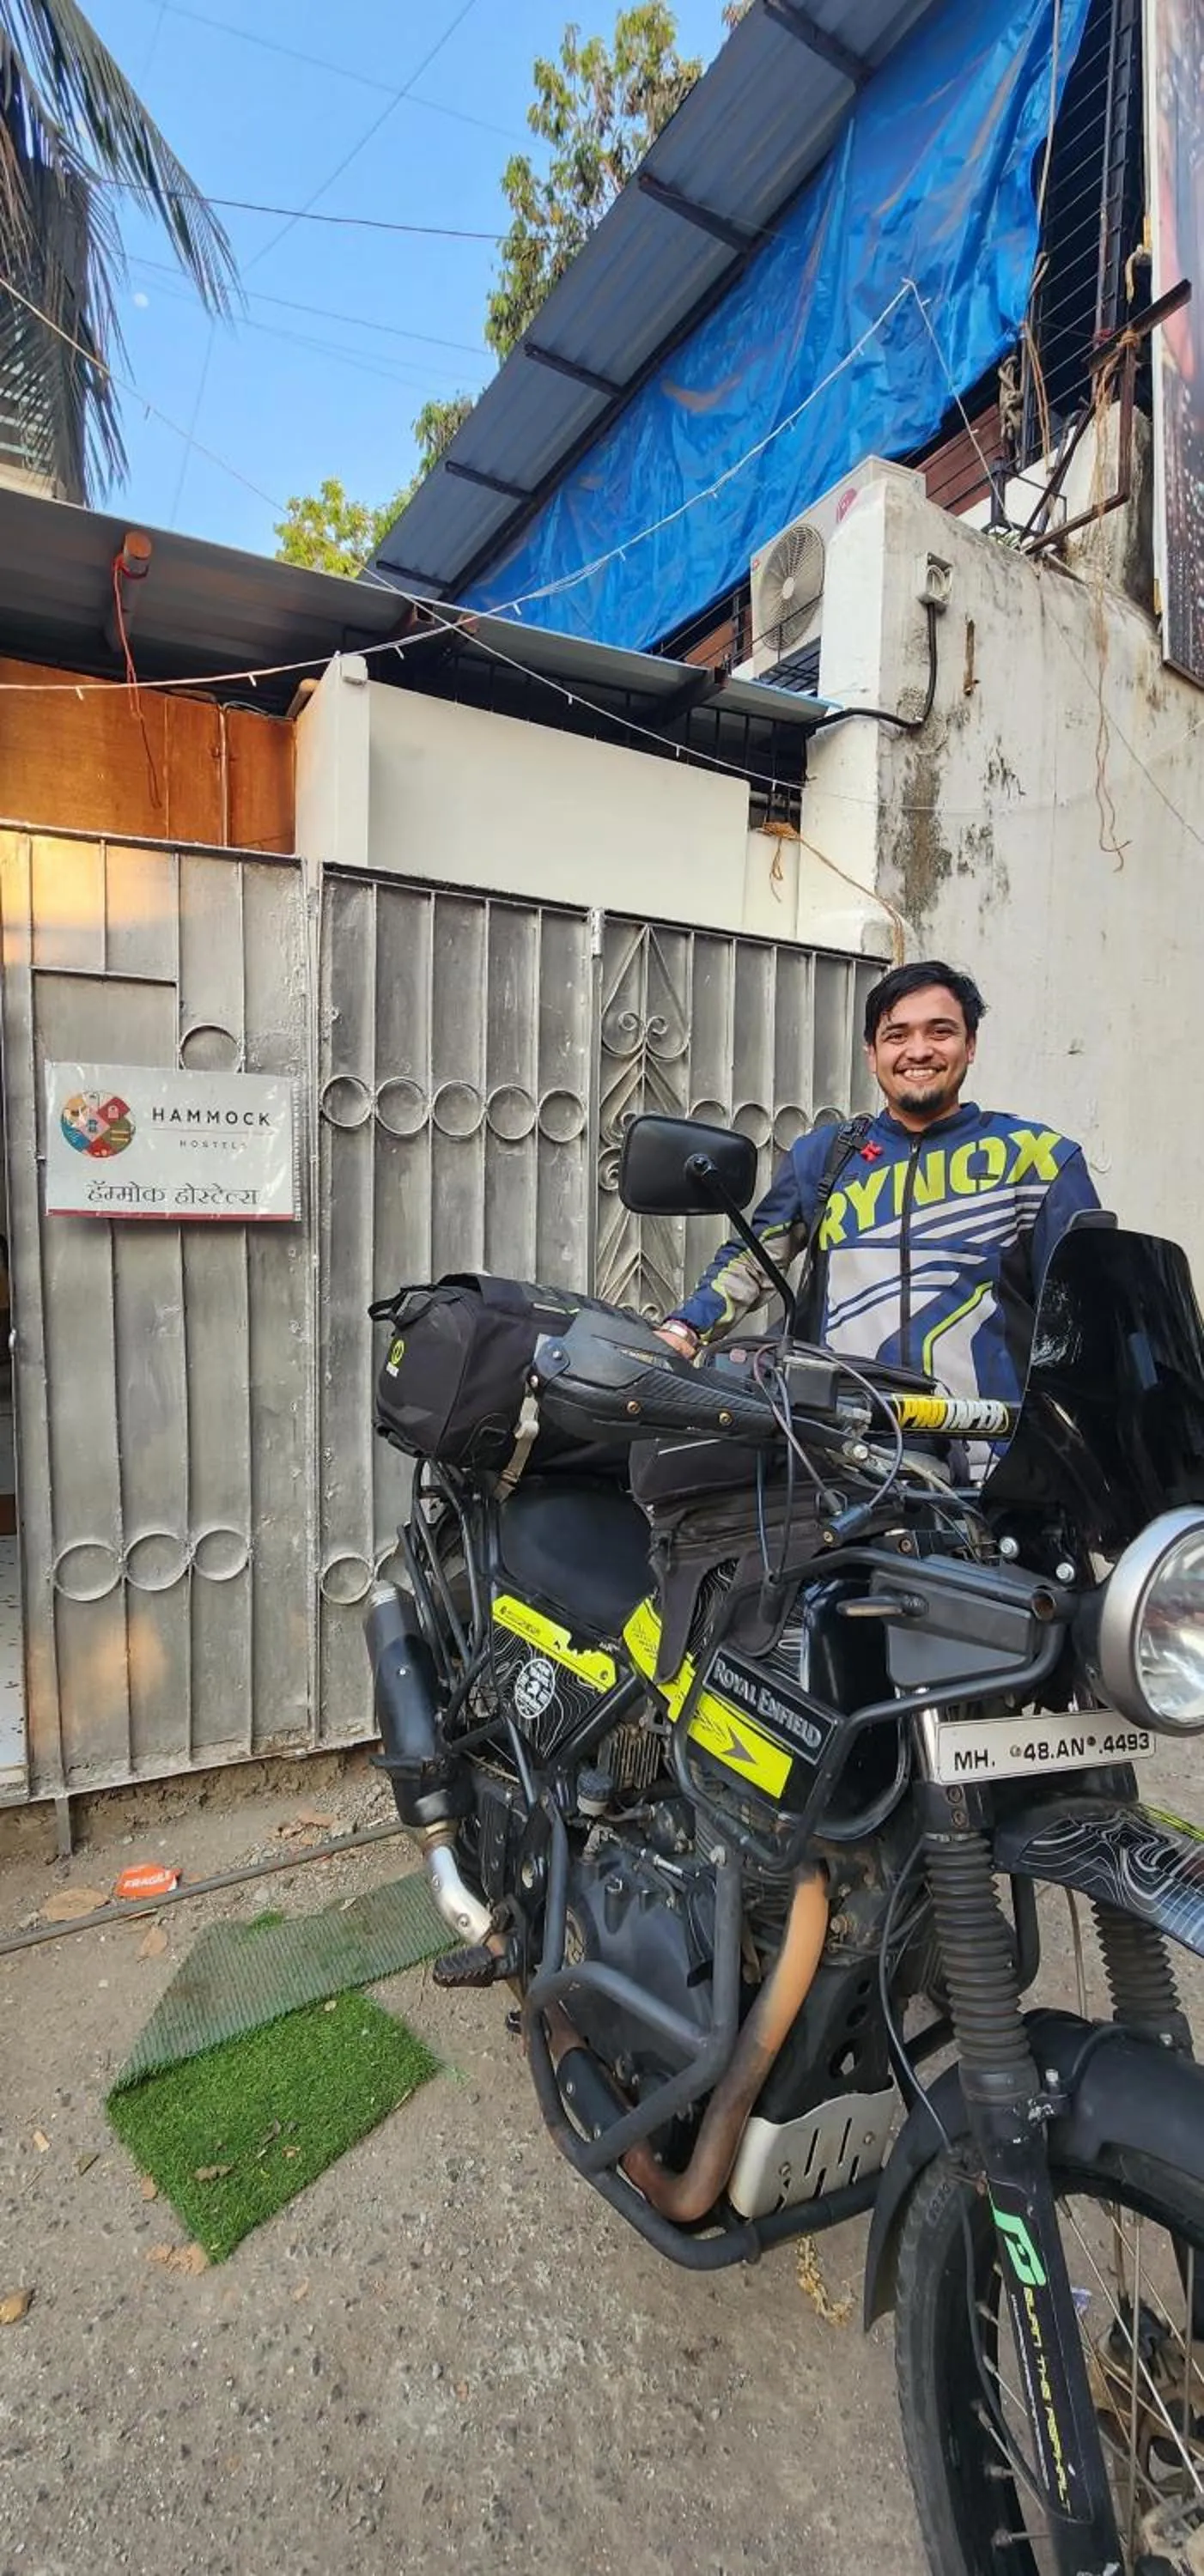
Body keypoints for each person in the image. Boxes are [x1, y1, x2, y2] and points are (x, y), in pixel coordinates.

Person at [657, 959, 1100, 1407]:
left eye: (940, 1032)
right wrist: (683, 1331)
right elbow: (754, 1261)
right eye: (897, 1035)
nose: (919, 1050)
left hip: (990, 1453)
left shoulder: (1038, 1159)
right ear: (871, 1054)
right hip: (845, 1448)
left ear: (970, 1046)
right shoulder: (824, 1156)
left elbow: (1088, 1318)